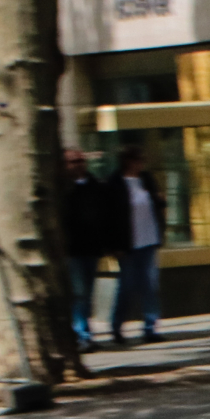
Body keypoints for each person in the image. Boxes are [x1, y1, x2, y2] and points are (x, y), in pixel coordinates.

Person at [58, 148, 117, 352]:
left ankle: (84, 333)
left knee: (87, 293)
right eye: (73, 161)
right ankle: (82, 335)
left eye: (81, 160)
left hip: (92, 248)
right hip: (72, 250)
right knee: (79, 293)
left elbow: (106, 216)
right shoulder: (62, 190)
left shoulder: (95, 186)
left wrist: (108, 243)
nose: (78, 165)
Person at [110, 145, 165, 346]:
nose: (141, 164)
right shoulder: (115, 183)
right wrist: (115, 245)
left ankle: (150, 327)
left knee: (150, 285)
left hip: (149, 241)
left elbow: (158, 204)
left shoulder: (147, 180)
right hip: (128, 245)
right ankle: (117, 327)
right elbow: (112, 218)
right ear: (128, 161)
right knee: (127, 286)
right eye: (138, 160)